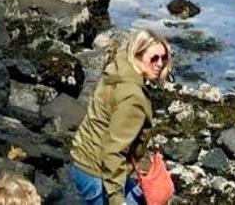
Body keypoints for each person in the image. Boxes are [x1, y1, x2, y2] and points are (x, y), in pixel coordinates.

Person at [68, 29, 171, 204]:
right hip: (97, 174)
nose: (160, 64)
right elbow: (114, 150)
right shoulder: (133, 98)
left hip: (81, 159)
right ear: (137, 54)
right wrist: (117, 198)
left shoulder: (116, 70)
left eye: (164, 58)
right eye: (154, 58)